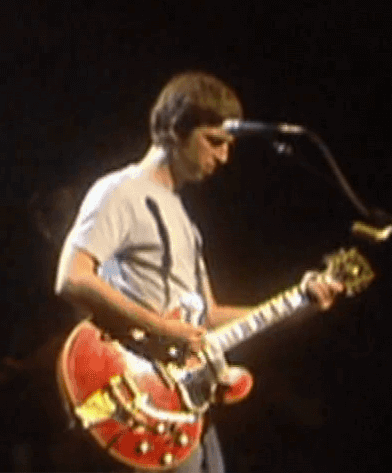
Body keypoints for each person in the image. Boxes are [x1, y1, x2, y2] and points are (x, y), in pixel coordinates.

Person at [53, 72, 336, 473]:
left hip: (187, 405)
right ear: (174, 129)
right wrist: (161, 328)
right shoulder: (121, 191)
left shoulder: (186, 221)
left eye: (228, 145)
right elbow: (72, 277)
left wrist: (299, 304)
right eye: (214, 141)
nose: (223, 157)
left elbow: (206, 317)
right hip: (142, 397)